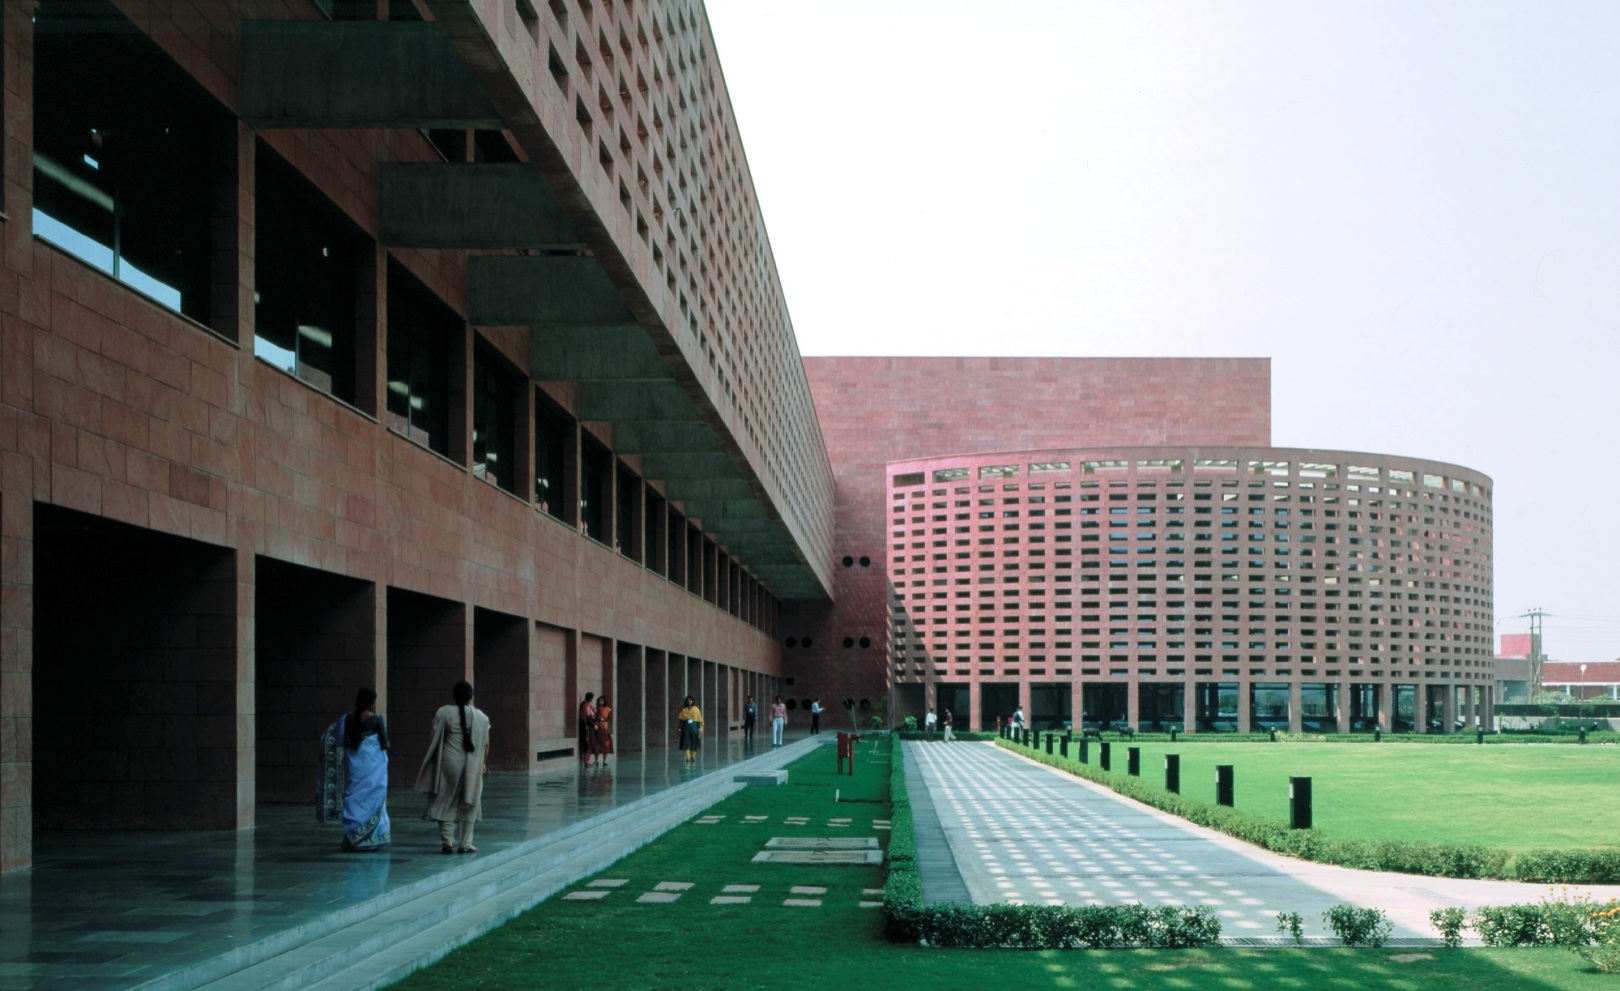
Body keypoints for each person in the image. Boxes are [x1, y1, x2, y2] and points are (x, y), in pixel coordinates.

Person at [415, 680, 491, 854]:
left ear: (454, 696)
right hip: (472, 765)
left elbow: (435, 737)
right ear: (471, 697)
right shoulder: (482, 717)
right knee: (470, 802)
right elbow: (485, 745)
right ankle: (465, 843)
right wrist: (483, 763)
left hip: (449, 764)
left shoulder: (444, 712)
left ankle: (447, 842)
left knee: (445, 800)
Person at [318, 686, 391, 852]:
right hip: (373, 769)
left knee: (356, 797)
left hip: (355, 768)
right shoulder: (377, 720)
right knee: (373, 798)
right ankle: (371, 839)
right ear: (372, 702)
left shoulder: (347, 720)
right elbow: (385, 744)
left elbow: (335, 738)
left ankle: (352, 837)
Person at [678, 695, 703, 762]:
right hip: (686, 729)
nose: (689, 701)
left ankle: (693, 756)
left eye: (690, 700)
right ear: (686, 701)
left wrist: (700, 728)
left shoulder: (696, 709)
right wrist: (679, 728)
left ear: (692, 701)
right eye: (688, 700)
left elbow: (699, 720)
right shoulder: (683, 709)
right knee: (686, 742)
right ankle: (688, 757)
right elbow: (681, 720)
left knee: (694, 742)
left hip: (694, 729)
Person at [578, 692, 598, 767]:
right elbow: (588, 717)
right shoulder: (586, 706)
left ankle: (586, 760)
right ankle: (586, 761)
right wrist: (594, 724)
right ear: (590, 699)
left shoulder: (587, 706)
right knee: (589, 743)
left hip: (589, 727)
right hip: (589, 728)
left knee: (590, 744)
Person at [593, 695, 614, 767]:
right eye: (599, 700)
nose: (600, 702)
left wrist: (603, 719)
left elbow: (609, 718)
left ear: (604, 701)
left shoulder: (608, 709)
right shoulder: (596, 709)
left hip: (605, 729)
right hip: (597, 729)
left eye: (602, 700)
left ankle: (605, 761)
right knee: (597, 745)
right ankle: (596, 760)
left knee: (606, 745)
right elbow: (594, 718)